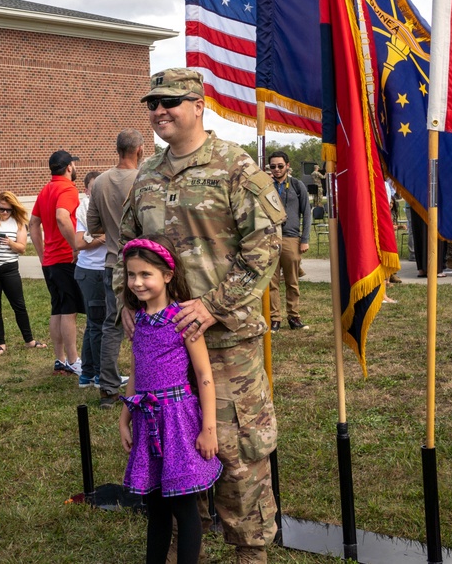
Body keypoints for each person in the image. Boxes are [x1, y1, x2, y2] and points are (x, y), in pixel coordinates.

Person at [116, 68, 285, 563]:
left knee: (236, 452)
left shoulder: (235, 167)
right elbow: (125, 246)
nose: (159, 111)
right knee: (166, 443)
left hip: (225, 339)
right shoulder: (147, 174)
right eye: (152, 103)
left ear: (198, 106)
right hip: (164, 343)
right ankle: (182, 542)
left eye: (170, 101)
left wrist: (213, 305)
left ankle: (249, 552)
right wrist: (127, 302)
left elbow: (265, 249)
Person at [118, 236, 222, 564]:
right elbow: (136, 370)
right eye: (131, 275)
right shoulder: (138, 319)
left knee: (183, 505)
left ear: (166, 275)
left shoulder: (183, 319)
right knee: (156, 504)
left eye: (145, 274)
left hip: (177, 419)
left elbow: (204, 375)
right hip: (146, 420)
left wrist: (209, 428)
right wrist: (125, 415)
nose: (137, 282)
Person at [88, 129, 143, 408]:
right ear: (140, 151)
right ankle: (147, 383)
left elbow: (92, 226)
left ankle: (108, 390)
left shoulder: (99, 182)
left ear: (118, 150)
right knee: (149, 324)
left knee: (112, 327)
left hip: (112, 262)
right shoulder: (144, 178)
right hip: (145, 264)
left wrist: (113, 228)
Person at [30, 149, 84, 377]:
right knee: (69, 310)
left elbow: (33, 223)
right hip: (64, 258)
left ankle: (60, 359)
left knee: (58, 309)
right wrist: (75, 246)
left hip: (51, 260)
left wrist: (42, 255)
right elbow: (63, 216)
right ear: (69, 167)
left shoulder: (46, 189)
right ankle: (73, 360)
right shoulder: (68, 189)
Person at [0, 191, 41, 355]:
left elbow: (22, 248)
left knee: (19, 305)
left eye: (8, 210)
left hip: (10, 269)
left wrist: (11, 243)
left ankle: (29, 340)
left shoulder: (18, 223)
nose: (4, 213)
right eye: (2, 209)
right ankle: (1, 344)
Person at [267, 150, 311, 331]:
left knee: (292, 281)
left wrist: (304, 239)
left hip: (291, 237)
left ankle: (294, 317)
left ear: (287, 165)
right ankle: (274, 318)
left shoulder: (296, 185)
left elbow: (306, 213)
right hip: (269, 238)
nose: (277, 170)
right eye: (273, 167)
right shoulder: (267, 186)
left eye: (280, 166)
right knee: (271, 281)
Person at [75, 171, 107, 387]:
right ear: (86, 190)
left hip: (94, 270)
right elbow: (80, 242)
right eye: (94, 188)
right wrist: (106, 236)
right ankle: (99, 376)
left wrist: (97, 236)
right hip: (94, 272)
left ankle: (86, 374)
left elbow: (89, 237)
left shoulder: (98, 204)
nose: (97, 192)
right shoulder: (86, 206)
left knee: (93, 323)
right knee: (99, 325)